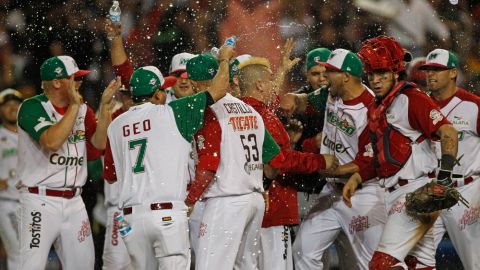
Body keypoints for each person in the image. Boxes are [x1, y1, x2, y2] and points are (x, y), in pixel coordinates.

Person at [103, 44, 234, 270]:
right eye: (164, 89)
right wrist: (224, 60)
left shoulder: (115, 125)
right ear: (157, 94)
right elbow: (220, 88)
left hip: (131, 220)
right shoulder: (174, 112)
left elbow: (111, 175)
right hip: (166, 215)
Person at [342, 36, 459, 269]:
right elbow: (382, 156)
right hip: (397, 192)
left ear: (396, 72)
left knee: (380, 265)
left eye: (382, 73)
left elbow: (448, 132)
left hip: (414, 192)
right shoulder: (378, 106)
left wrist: (445, 175)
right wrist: (357, 177)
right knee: (420, 264)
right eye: (371, 74)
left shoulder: (410, 98)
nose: (375, 80)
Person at [230, 54, 338, 270]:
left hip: (241, 209)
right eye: (271, 80)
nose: (275, 85)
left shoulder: (235, 114)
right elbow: (279, 162)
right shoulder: (266, 117)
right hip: (274, 208)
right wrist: (320, 161)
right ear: (260, 84)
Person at [15, 55, 119, 270]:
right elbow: (51, 142)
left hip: (74, 201)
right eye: (75, 79)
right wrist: (73, 107)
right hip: (39, 200)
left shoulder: (83, 110)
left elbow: (98, 143)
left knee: (84, 265)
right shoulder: (31, 107)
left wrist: (105, 108)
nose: (80, 83)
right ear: (57, 82)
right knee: (30, 266)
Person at [287, 49, 387, 270]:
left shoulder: (371, 109)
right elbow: (304, 102)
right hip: (331, 191)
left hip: (363, 194)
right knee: (303, 250)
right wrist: (290, 99)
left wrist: (333, 170)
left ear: (346, 76)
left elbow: (368, 162)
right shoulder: (331, 93)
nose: (325, 75)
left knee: (369, 264)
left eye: (330, 71)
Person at [418, 49, 480, 270]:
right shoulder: (420, 105)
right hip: (428, 192)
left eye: (437, 70)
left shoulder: (473, 105)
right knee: (414, 258)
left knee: (475, 262)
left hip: (466, 192)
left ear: (453, 72)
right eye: (427, 70)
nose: (430, 75)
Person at [0, 89, 23, 270]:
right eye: (7, 105)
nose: (12, 108)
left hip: (30, 201)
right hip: (7, 202)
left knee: (31, 252)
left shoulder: (30, 134)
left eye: (16, 104)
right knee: (18, 253)